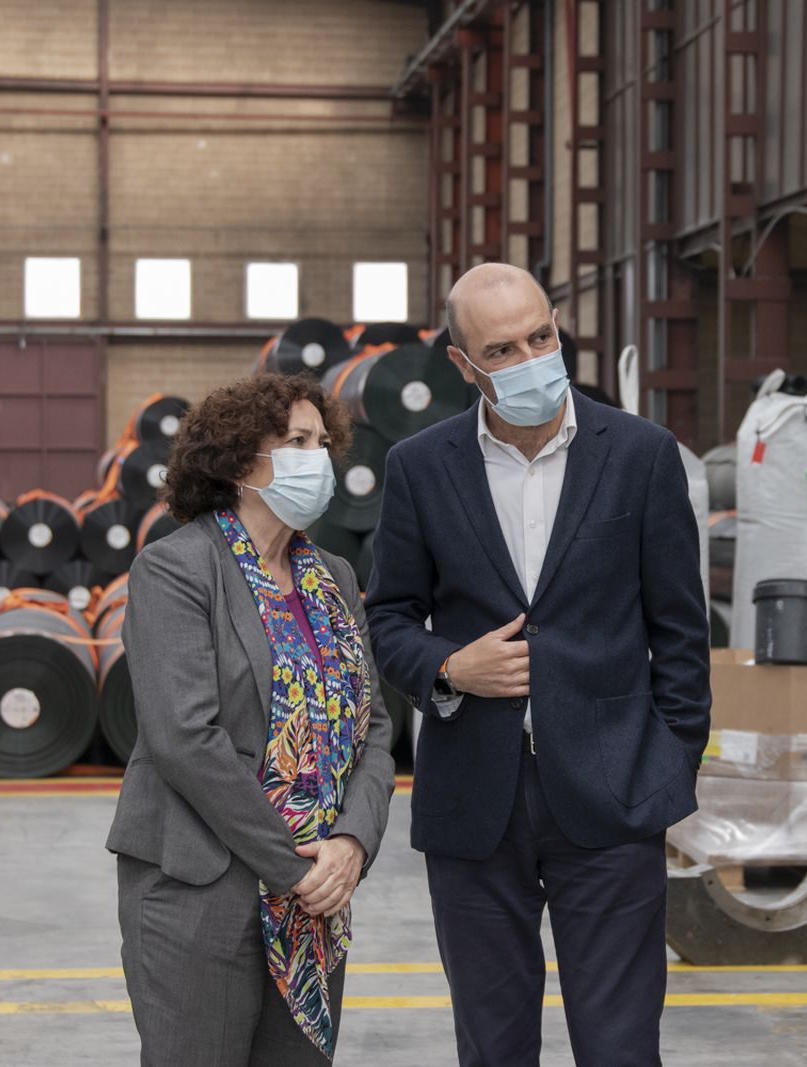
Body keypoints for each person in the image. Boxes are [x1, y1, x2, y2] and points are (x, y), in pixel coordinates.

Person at [365, 262, 711, 1067]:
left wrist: (663, 766)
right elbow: (386, 617)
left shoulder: (641, 455)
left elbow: (682, 636)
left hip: (612, 793)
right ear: (463, 365)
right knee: (493, 1046)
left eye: (541, 336)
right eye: (503, 349)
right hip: (474, 801)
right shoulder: (420, 467)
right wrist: (452, 666)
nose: (530, 359)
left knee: (620, 1046)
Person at [106, 374, 395, 1066]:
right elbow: (185, 738)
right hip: (201, 892)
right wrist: (291, 862)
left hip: (317, 899)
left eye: (322, 443)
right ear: (239, 462)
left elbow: (375, 726)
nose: (316, 458)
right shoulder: (175, 569)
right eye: (296, 441)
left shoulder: (334, 578)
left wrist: (352, 841)